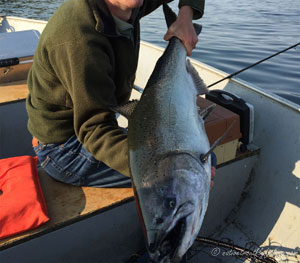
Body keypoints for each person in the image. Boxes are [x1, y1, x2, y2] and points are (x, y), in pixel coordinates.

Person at [27, 0, 209, 188]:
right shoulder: (78, 38)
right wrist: (161, 167)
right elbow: (95, 130)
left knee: (197, 161)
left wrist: (185, 17)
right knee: (189, 172)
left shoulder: (130, 4)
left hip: (97, 124)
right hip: (66, 147)